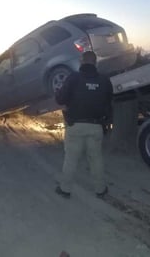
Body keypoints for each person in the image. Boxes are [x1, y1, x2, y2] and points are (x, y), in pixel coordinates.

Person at [55, 51, 113, 199]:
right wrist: (107, 124)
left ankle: (65, 189)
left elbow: (60, 100)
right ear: (95, 62)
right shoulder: (105, 80)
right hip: (96, 127)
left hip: (75, 126)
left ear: (82, 62)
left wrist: (58, 92)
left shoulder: (74, 77)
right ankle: (100, 190)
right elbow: (109, 104)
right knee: (96, 159)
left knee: (71, 159)